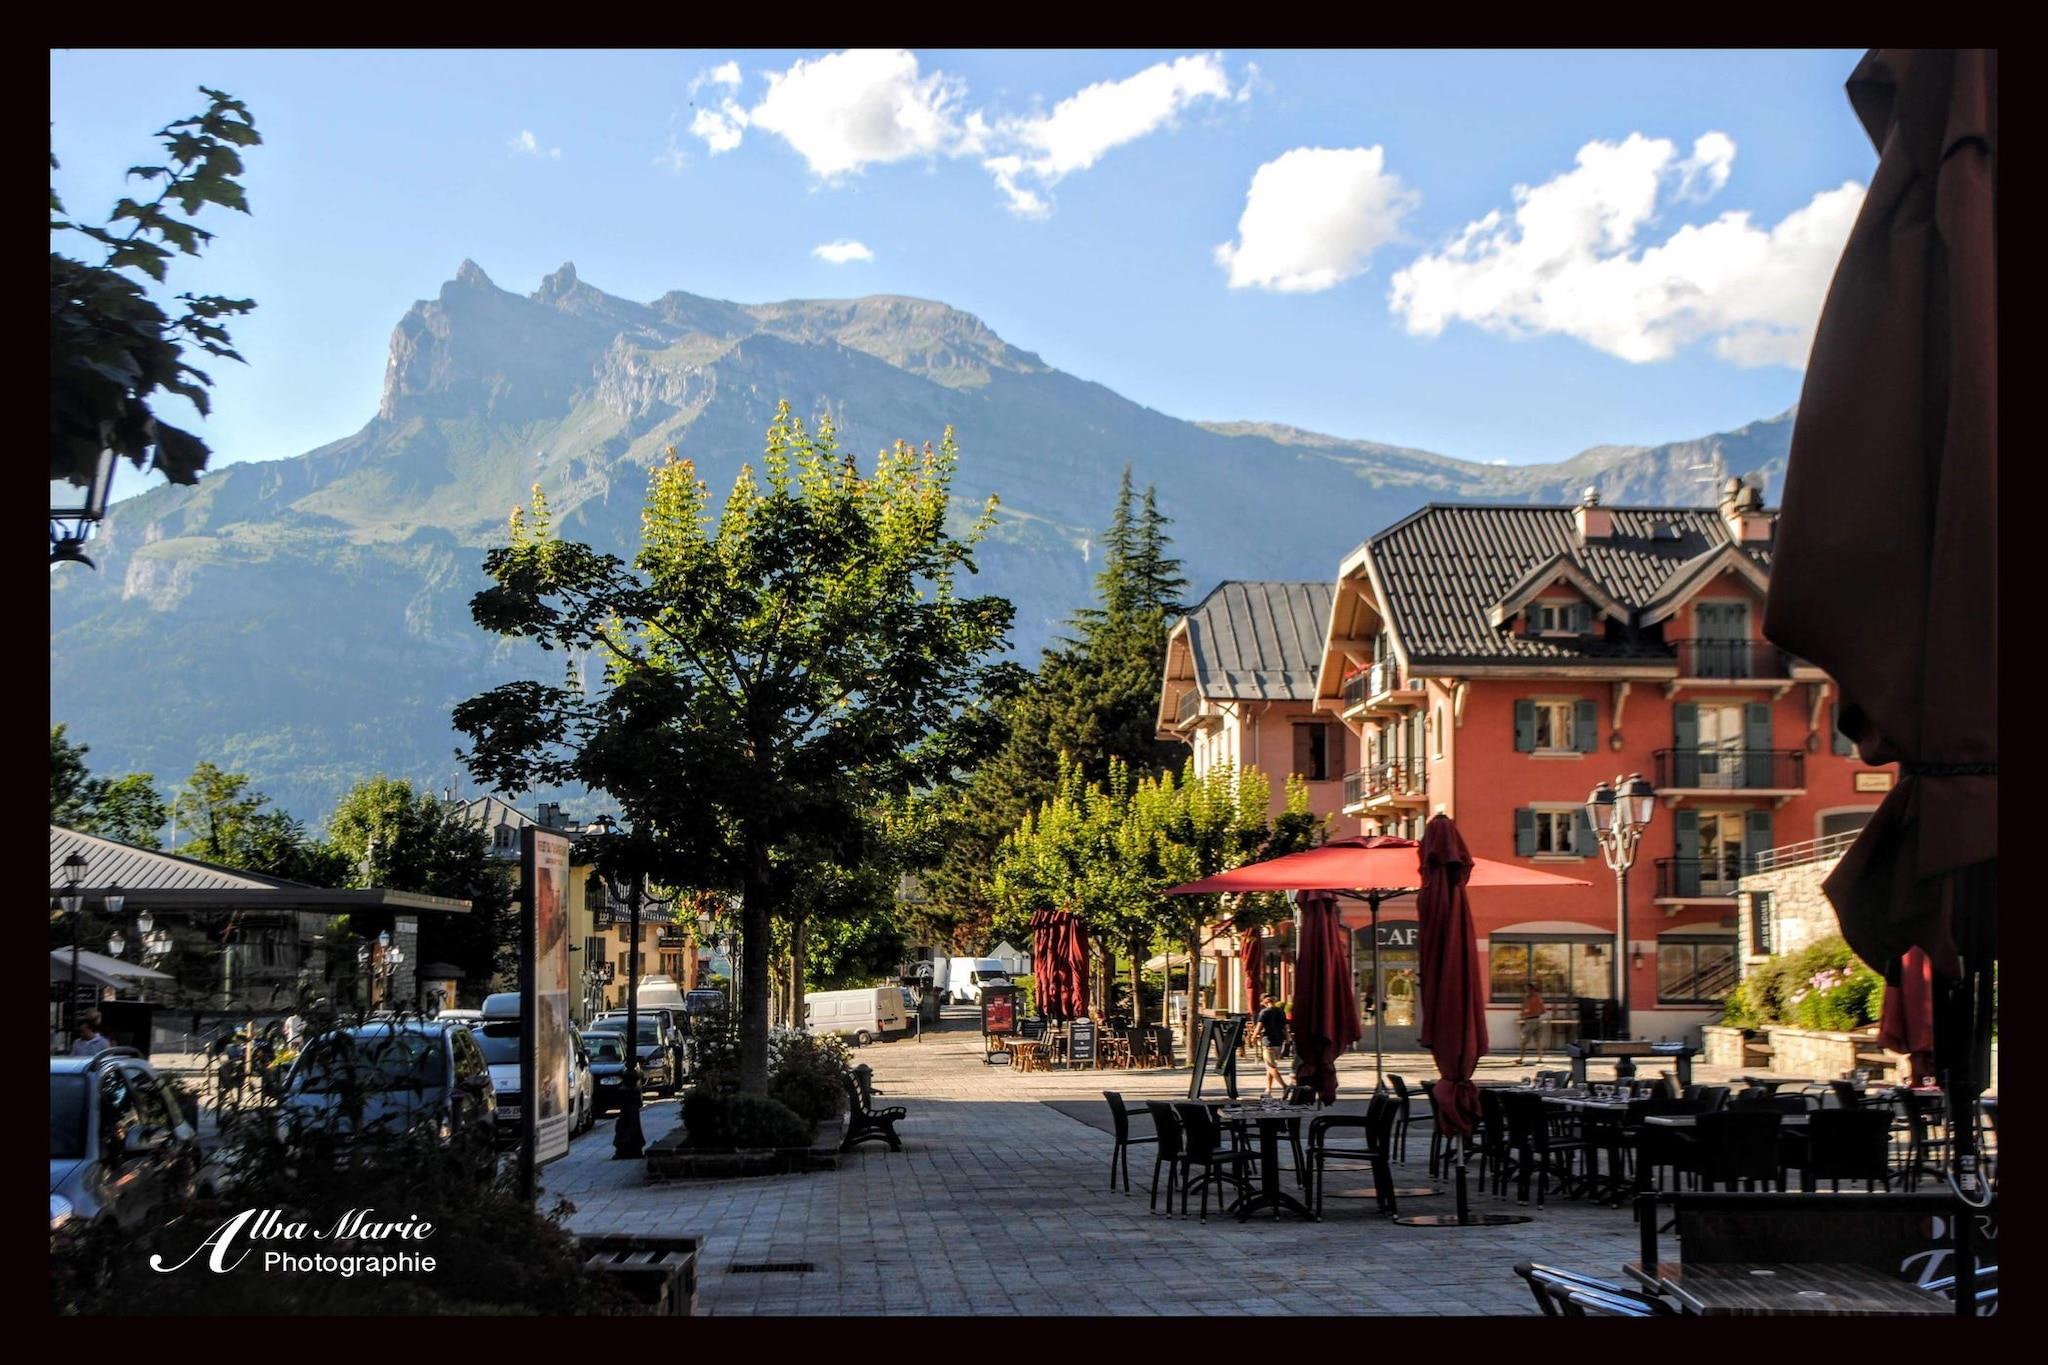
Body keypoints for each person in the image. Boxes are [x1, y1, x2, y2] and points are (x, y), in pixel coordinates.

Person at [1255, 994, 1289, 1097]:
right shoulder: (1281, 1011)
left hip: (1268, 1041)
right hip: (1279, 1041)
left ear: (1264, 1002)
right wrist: (1288, 1039)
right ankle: (1268, 1090)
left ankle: (1284, 1086)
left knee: (1271, 1066)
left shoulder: (1264, 1012)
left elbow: (1259, 1027)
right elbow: (1285, 1027)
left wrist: (1253, 1037)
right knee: (1270, 1066)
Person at [1516, 983, 1547, 1064]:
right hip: (1538, 1020)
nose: (1525, 990)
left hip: (1530, 1020)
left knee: (1524, 1040)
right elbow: (1543, 1010)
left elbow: (1527, 1009)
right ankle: (1540, 1058)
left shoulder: (1529, 998)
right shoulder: (1538, 997)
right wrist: (1536, 1012)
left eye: (1526, 989)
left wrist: (1524, 1014)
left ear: (1529, 989)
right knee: (1538, 1041)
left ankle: (1521, 1058)